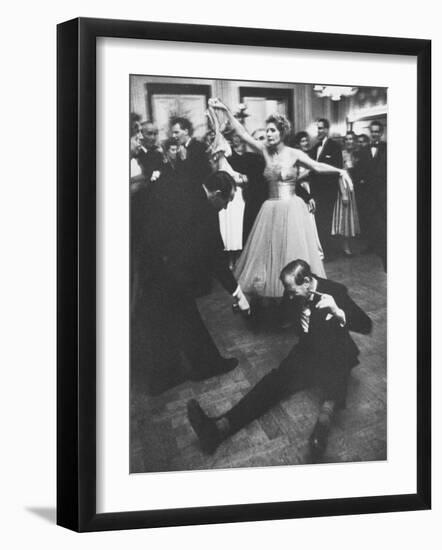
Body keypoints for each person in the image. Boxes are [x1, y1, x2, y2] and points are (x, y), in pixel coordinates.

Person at [187, 259, 372, 460]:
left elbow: (366, 324)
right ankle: (219, 428)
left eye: (292, 291)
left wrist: (338, 311)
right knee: (271, 384)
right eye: (288, 291)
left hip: (335, 354)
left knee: (332, 393)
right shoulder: (293, 292)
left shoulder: (336, 291)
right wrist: (249, 310)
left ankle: (321, 432)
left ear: (307, 282)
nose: (290, 296)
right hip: (306, 353)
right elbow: (278, 317)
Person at [209, 98, 353, 298]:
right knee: (272, 255)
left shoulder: (294, 153)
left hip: (292, 209)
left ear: (282, 132)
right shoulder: (264, 151)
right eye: (267, 130)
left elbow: (317, 166)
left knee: (293, 254)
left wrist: (340, 171)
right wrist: (225, 110)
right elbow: (241, 132)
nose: (268, 134)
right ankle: (278, 295)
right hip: (270, 209)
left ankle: (298, 295)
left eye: (272, 130)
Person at [136, 171, 251, 394]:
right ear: (217, 194)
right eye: (227, 201)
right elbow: (217, 258)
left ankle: (169, 376)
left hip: (152, 262)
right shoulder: (205, 210)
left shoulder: (184, 186)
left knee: (172, 319)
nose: (226, 207)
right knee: (178, 318)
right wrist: (238, 293)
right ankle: (200, 368)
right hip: (165, 269)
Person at [309, 118, 344, 259]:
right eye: (317, 128)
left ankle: (329, 252)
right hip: (316, 191)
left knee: (327, 221)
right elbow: (311, 169)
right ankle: (323, 250)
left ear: (327, 130)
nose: (319, 131)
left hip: (329, 191)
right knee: (318, 221)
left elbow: (337, 169)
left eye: (321, 128)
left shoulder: (335, 147)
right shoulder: (314, 148)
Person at [331, 131, 360, 256]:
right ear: (344, 141)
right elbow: (338, 174)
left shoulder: (356, 154)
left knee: (351, 218)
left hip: (354, 188)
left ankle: (350, 245)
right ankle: (344, 247)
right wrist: (343, 193)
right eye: (347, 139)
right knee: (344, 218)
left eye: (352, 139)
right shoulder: (341, 154)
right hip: (344, 188)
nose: (350, 141)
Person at [365, 120, 387, 270]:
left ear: (381, 133)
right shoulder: (364, 149)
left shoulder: (388, 148)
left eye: (377, 132)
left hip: (383, 191)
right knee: (370, 219)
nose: (374, 134)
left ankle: (383, 247)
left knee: (383, 220)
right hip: (368, 192)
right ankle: (371, 245)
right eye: (372, 131)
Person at [171, 116, 212, 187]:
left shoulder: (199, 147)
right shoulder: (179, 149)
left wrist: (185, 160)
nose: (173, 136)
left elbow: (203, 172)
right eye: (173, 133)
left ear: (186, 131)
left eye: (176, 132)